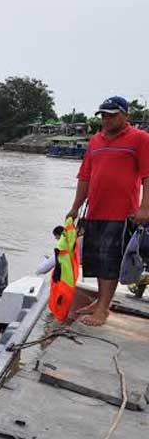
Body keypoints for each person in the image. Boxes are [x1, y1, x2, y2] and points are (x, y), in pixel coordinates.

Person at [66, 96, 149, 326]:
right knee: (95, 260)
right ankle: (101, 302)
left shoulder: (140, 139)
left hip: (122, 212)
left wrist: (145, 206)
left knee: (110, 261)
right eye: (103, 115)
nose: (106, 119)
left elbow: (147, 175)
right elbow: (85, 176)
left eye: (112, 114)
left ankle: (103, 309)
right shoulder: (95, 141)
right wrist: (75, 208)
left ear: (125, 115)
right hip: (94, 210)